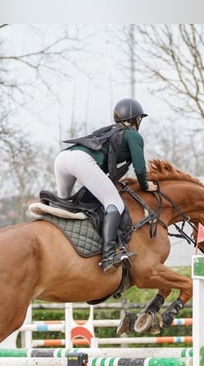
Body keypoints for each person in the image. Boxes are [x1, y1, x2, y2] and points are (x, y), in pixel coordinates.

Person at [54, 97, 158, 272]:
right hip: (81, 161)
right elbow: (140, 168)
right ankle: (109, 254)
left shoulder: (110, 131)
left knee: (65, 206)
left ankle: (60, 245)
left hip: (62, 158)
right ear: (136, 119)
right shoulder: (133, 135)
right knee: (114, 203)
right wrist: (145, 185)